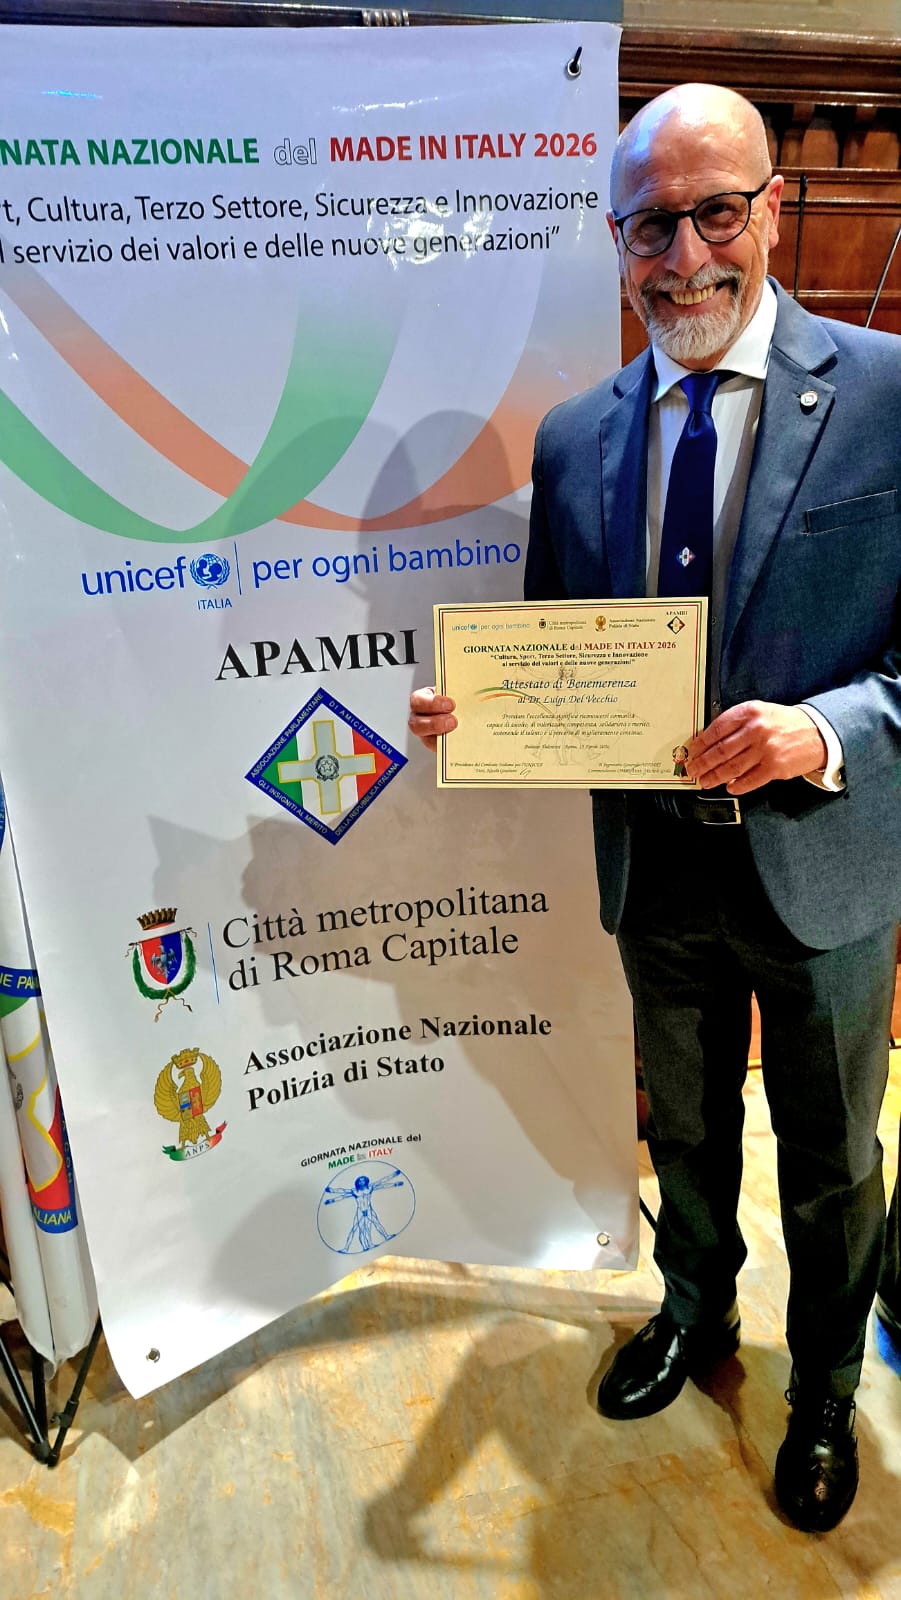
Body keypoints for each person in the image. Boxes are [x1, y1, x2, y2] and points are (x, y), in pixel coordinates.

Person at [409, 82, 901, 1533]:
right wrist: (480, 713)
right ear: (615, 242)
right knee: (680, 1124)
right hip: (654, 867)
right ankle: (695, 1310)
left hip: (823, 865)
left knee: (832, 1155)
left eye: (715, 214)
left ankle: (824, 1386)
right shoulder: (575, 436)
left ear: (772, 209)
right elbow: (555, 649)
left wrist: (825, 729)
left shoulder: (889, 394)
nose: (684, 257)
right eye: (648, 227)